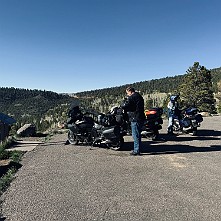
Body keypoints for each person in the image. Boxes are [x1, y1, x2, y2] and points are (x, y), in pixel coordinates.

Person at [121, 86, 145, 156]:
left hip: (135, 118)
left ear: (130, 91)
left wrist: (122, 106)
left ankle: (136, 150)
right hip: (141, 117)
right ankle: (138, 149)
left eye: (127, 93)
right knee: (138, 134)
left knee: (135, 135)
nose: (127, 94)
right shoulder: (139, 96)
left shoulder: (132, 97)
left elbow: (127, 106)